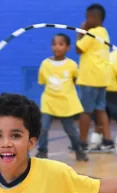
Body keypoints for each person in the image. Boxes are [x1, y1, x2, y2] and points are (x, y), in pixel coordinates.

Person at [35, 33, 88, 161]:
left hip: (66, 103)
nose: (57, 47)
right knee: (42, 128)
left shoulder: (72, 65)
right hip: (49, 102)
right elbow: (42, 81)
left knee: (71, 131)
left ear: (68, 47)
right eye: (54, 44)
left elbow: (76, 80)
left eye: (61, 44)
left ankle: (78, 150)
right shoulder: (45, 64)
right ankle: (42, 151)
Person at [76, 4, 114, 153]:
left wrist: (81, 32)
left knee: (85, 111)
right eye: (87, 17)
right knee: (100, 109)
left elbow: (78, 49)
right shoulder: (104, 32)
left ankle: (82, 142)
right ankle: (107, 140)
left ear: (99, 18)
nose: (87, 20)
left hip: (90, 78)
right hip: (102, 78)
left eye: (90, 17)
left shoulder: (92, 33)